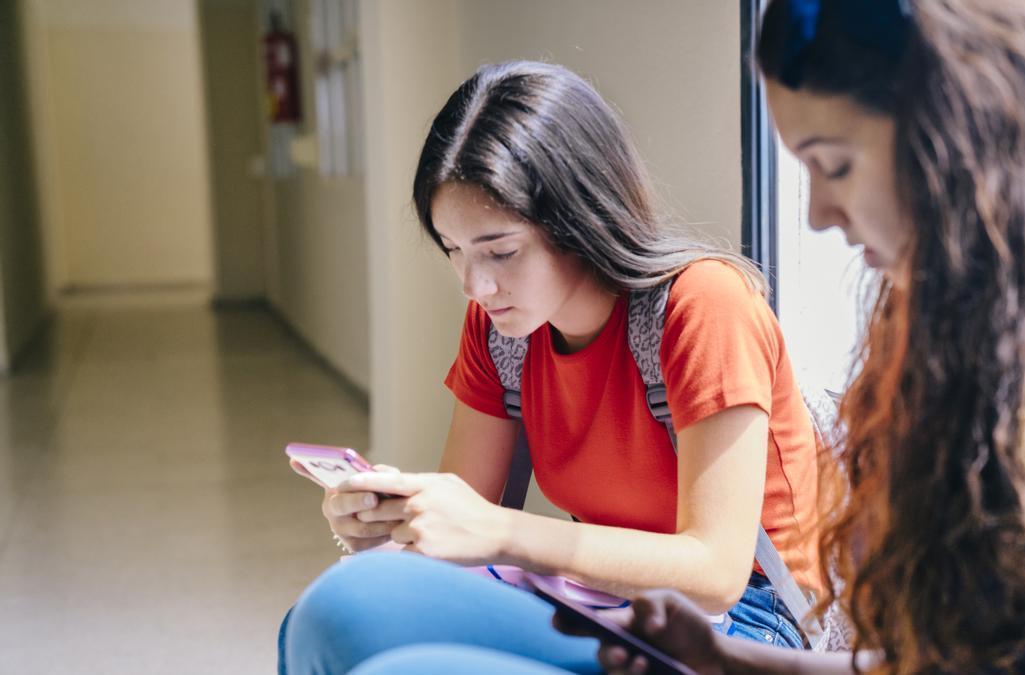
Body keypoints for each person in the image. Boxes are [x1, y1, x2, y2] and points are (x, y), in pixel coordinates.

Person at [352, 0, 1025, 673]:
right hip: (679, 623)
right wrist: (734, 663)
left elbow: (720, 571)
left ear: (968, 132)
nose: (817, 214)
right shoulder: (951, 322)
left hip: (731, 605)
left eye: (833, 165)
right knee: (350, 610)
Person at [279, 60, 825, 675]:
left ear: (580, 219)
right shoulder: (502, 330)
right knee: (329, 614)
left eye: (501, 251)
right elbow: (464, 530)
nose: (475, 285)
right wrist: (388, 525)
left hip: (745, 630)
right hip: (596, 597)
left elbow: (715, 573)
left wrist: (505, 534)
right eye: (453, 250)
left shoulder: (703, 306)